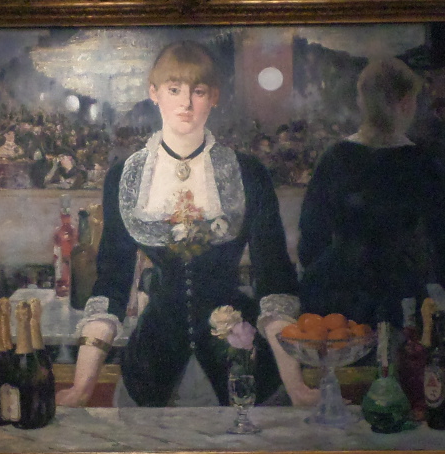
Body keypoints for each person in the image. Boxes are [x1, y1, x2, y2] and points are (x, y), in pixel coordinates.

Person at [61, 42, 313, 408]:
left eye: (199, 91)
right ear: (154, 93)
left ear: (214, 97)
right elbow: (112, 284)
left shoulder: (247, 173)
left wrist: (296, 386)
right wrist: (82, 387)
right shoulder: (127, 176)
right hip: (152, 362)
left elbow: (274, 281)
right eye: (174, 89)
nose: (187, 103)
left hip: (241, 362)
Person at [298, 58, 445, 325]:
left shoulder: (335, 157)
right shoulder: (422, 162)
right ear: (406, 103)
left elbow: (310, 239)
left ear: (361, 102)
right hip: (401, 294)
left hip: (337, 293)